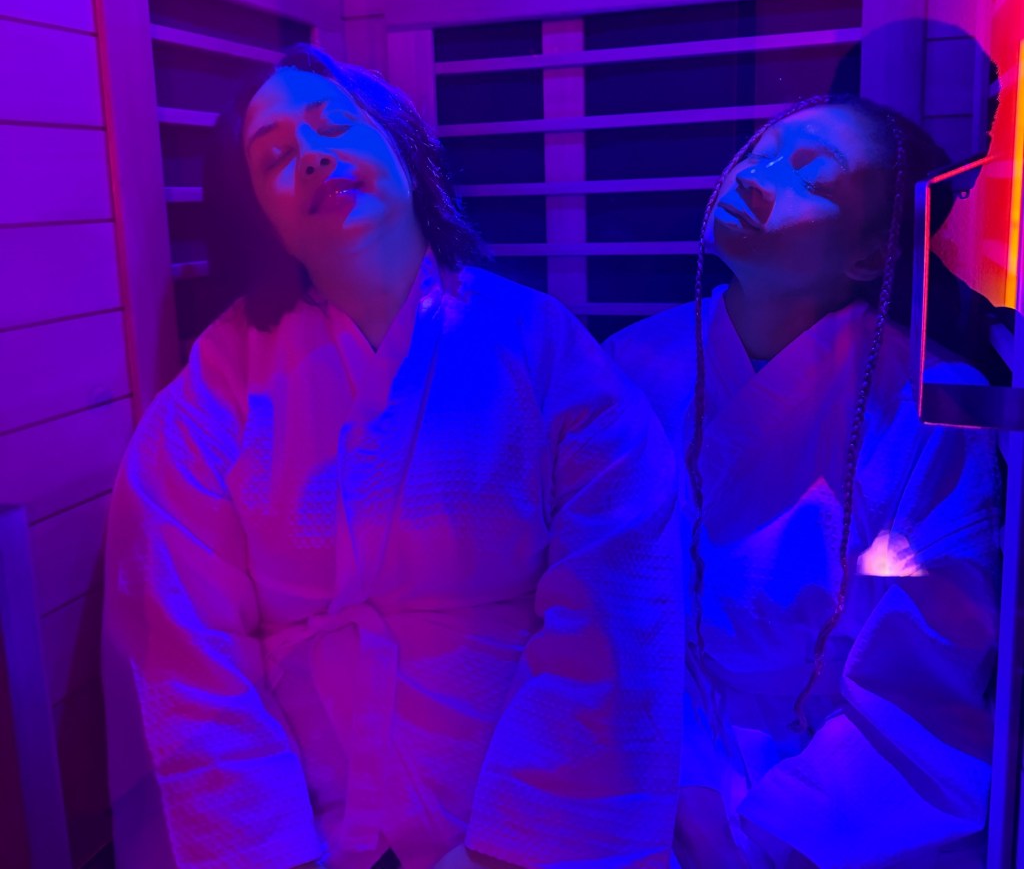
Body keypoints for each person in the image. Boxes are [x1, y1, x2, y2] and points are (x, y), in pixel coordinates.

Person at [102, 44, 682, 869]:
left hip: (513, 798)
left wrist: (514, 844)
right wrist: (274, 851)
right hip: (304, 811)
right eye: (273, 157)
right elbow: (183, 647)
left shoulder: (539, 345)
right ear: (259, 215)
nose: (311, 154)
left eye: (334, 124)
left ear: (402, 143)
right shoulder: (215, 393)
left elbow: (618, 592)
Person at [605, 95, 1002, 868]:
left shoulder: (929, 409)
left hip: (840, 797)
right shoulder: (628, 364)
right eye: (760, 151)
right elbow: (596, 606)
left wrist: (773, 840)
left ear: (868, 257)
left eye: (812, 177)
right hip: (645, 754)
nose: (755, 178)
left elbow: (918, 684)